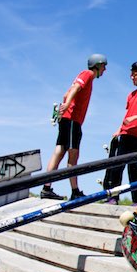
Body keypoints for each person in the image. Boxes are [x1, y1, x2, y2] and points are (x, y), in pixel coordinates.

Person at [41, 54, 108, 200]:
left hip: (67, 119)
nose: (105, 70)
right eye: (104, 66)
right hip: (72, 120)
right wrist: (66, 105)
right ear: (97, 65)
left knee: (59, 151)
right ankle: (75, 191)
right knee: (73, 155)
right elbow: (75, 88)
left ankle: (46, 188)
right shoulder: (87, 74)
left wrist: (65, 105)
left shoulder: (85, 76)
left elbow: (66, 93)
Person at [104, 61, 137, 205]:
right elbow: (127, 115)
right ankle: (113, 197)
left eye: (134, 75)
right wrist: (119, 129)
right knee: (118, 166)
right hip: (125, 134)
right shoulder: (131, 95)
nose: (132, 77)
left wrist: (135, 118)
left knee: (133, 167)